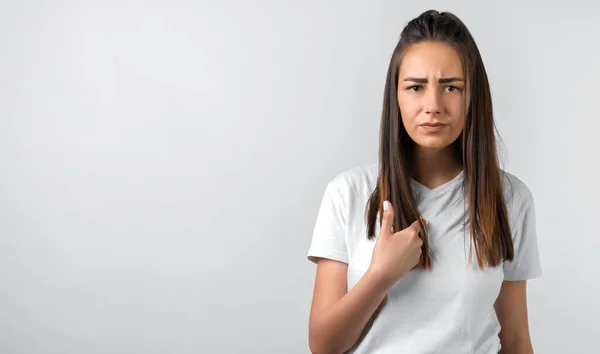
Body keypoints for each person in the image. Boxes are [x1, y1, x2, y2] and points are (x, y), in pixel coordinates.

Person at [306, 9, 543, 354]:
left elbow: (517, 340)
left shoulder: (509, 199)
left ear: (472, 95)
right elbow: (323, 345)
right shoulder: (348, 193)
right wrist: (380, 275)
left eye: (451, 87)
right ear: (396, 95)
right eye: (416, 87)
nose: (433, 105)